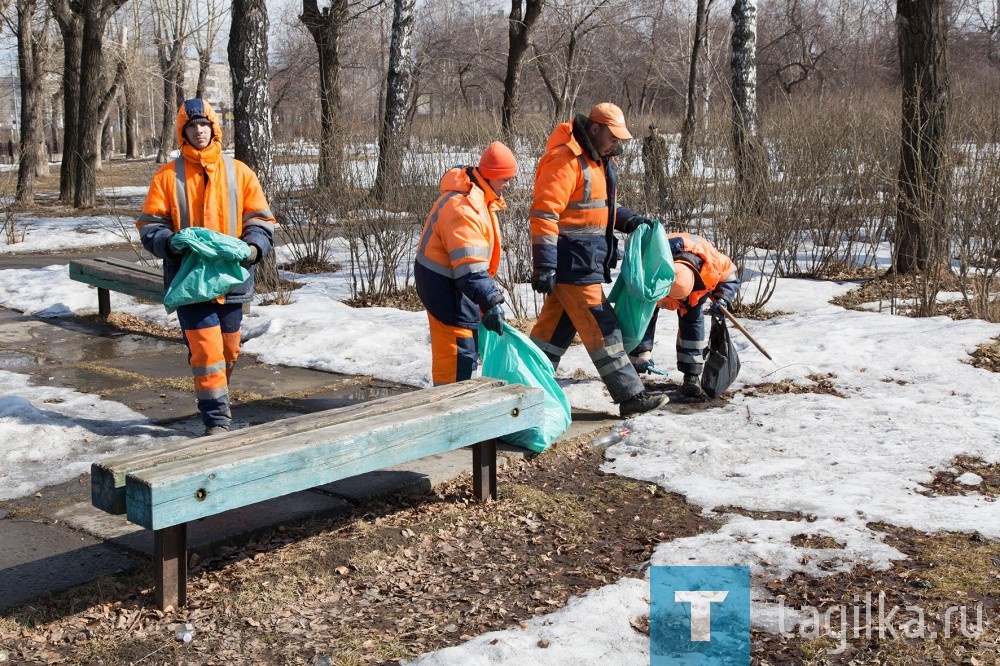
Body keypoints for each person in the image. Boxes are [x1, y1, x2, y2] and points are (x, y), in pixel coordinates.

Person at [136, 99, 276, 436]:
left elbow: (260, 219)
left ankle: (218, 398)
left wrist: (254, 248)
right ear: (182, 132)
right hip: (190, 281)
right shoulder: (167, 177)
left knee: (227, 350)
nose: (199, 131)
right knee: (206, 351)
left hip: (232, 279)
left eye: (204, 125)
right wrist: (169, 243)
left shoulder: (239, 172)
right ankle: (216, 421)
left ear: (214, 128)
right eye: (192, 126)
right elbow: (150, 225)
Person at [529, 102, 668, 418]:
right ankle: (630, 395)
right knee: (602, 328)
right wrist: (546, 264)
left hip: (582, 262)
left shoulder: (599, 161)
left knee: (552, 333)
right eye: (613, 136)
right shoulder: (565, 160)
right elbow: (544, 214)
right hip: (571, 263)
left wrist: (630, 220)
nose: (617, 143)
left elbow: (599, 209)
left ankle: (523, 388)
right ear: (594, 129)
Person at [415, 141, 518, 385]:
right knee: (455, 359)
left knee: (464, 354)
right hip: (446, 293)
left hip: (454, 289)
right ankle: (447, 415)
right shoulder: (463, 208)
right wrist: (491, 301)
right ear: (490, 176)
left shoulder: (479, 197)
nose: (508, 184)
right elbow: (470, 265)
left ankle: (455, 410)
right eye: (505, 178)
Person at [629, 232, 740, 397]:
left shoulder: (712, 265)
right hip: (658, 279)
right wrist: (642, 354)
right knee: (643, 317)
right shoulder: (651, 266)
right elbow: (641, 316)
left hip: (697, 281)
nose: (679, 305)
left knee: (692, 323)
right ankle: (633, 370)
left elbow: (730, 275)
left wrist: (723, 298)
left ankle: (692, 375)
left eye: (683, 299)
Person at [642, 123, 669, 208]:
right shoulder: (646, 140)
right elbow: (643, 152)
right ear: (649, 131)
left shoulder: (661, 140)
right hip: (649, 165)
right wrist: (645, 160)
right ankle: (647, 202)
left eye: (655, 130)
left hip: (658, 164)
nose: (653, 131)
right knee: (648, 184)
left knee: (661, 183)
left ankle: (663, 201)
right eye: (652, 130)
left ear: (657, 130)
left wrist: (661, 157)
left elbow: (666, 152)